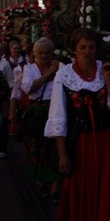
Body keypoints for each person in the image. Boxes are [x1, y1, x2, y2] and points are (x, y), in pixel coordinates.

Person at [45, 27, 110, 221]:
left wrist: (107, 79)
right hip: (81, 143)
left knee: (109, 187)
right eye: (82, 47)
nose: (87, 52)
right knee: (83, 187)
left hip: (107, 141)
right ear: (75, 49)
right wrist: (62, 154)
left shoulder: (107, 71)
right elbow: (58, 116)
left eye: (91, 47)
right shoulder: (64, 75)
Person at [20, 38, 62, 203]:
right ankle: (41, 180)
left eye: (47, 52)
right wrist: (49, 73)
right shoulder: (29, 69)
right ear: (34, 54)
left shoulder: (60, 67)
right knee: (37, 150)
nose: (44, 56)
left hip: (55, 111)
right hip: (37, 113)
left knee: (56, 148)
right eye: (40, 53)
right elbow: (29, 88)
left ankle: (54, 189)